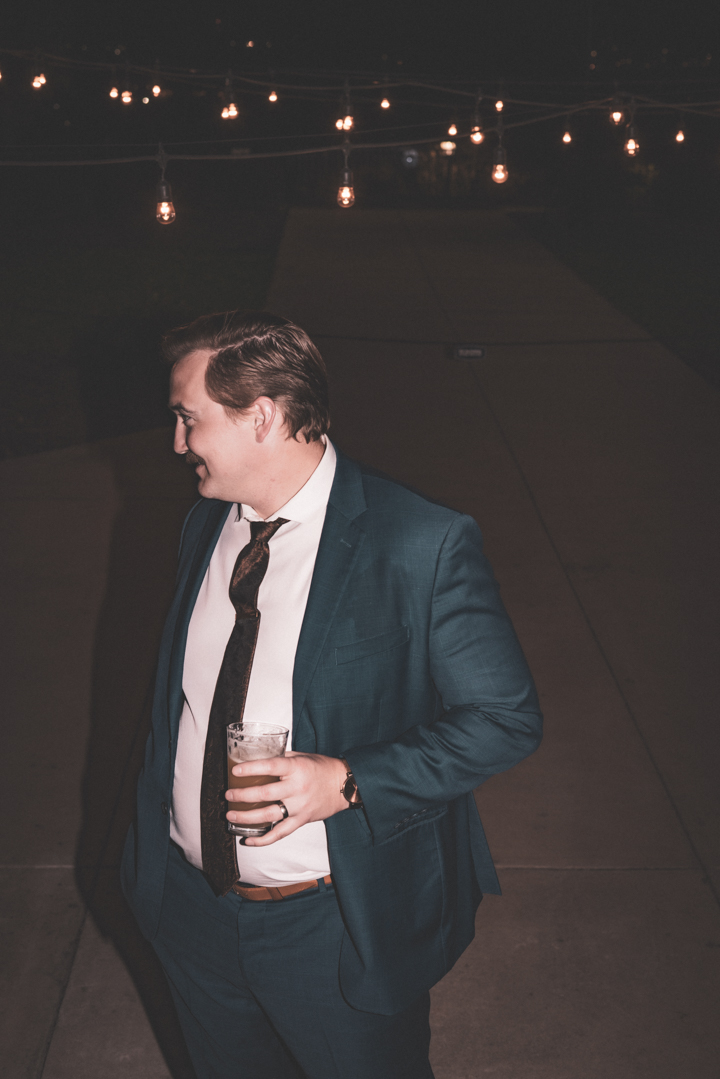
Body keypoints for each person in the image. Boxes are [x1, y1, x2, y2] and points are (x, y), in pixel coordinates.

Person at [121, 309, 543, 1079]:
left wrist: (347, 780)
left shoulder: (418, 540)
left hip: (331, 927)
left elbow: (504, 718)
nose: (177, 442)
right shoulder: (204, 525)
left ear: (261, 417)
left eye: (189, 418)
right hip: (190, 912)